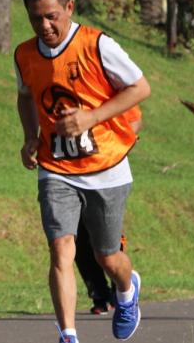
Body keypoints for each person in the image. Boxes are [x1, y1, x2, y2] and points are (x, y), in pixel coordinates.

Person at [15, 0, 151, 343]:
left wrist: (92, 117)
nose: (45, 26)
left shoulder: (97, 44)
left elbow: (140, 87)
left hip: (106, 165)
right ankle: (68, 335)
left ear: (70, 8)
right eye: (36, 18)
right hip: (56, 167)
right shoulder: (24, 55)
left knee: (108, 257)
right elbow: (26, 96)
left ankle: (126, 290)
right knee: (61, 248)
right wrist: (30, 136)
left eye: (52, 16)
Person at [76, 107, 142, 316]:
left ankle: (120, 289)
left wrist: (117, 148)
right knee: (76, 239)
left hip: (105, 174)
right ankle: (100, 295)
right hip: (67, 174)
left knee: (107, 245)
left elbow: (134, 120)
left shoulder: (106, 91)